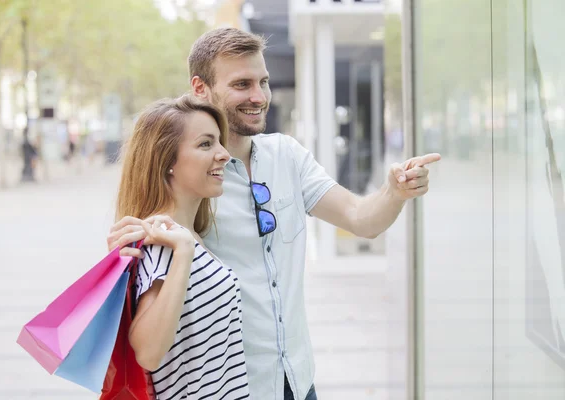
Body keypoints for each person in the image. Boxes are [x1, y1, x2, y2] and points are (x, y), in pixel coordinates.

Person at [108, 28, 441, 400]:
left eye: (263, 82)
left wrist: (394, 192)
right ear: (200, 88)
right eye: (242, 84)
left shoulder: (288, 155)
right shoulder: (194, 178)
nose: (258, 96)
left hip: (296, 380)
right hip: (230, 386)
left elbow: (361, 218)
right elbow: (153, 235)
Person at [114, 95, 250, 399]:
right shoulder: (164, 245)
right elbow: (148, 352)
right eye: (206, 144)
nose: (224, 154)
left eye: (219, 142)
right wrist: (184, 251)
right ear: (168, 162)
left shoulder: (186, 237)